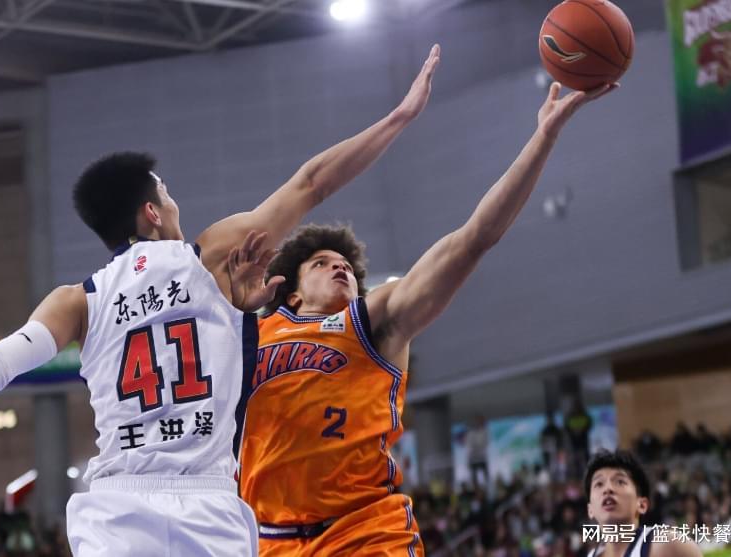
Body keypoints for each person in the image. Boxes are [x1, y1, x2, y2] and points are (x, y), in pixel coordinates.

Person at [0, 45, 442, 557]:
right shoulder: (211, 257)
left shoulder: (77, 300)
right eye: (168, 194)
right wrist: (399, 118)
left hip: (118, 508)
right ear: (151, 212)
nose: (176, 203)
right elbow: (312, 182)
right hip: (207, 503)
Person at [240, 79, 616, 556]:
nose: (340, 268)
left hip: (363, 531)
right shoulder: (249, 336)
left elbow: (473, 238)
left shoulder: (371, 320)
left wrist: (543, 137)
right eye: (321, 263)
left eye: (346, 266)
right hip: (269, 540)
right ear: (292, 295)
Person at [584, 450, 702, 557]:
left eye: (620, 482)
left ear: (642, 505)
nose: (608, 489)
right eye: (599, 484)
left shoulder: (669, 545)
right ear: (590, 510)